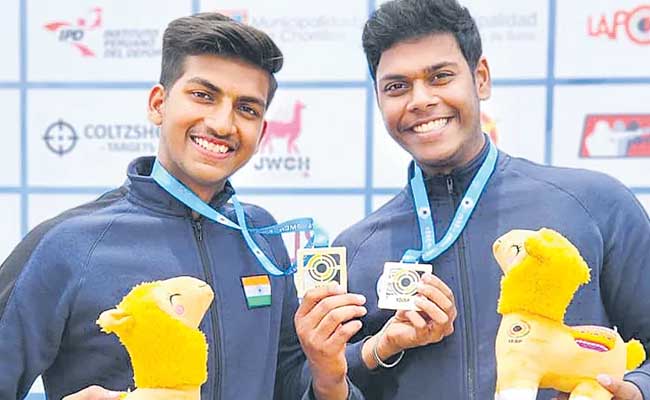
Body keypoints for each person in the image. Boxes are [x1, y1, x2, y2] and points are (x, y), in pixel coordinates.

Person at [0, 13, 364, 400]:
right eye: (203, 96)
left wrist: (328, 378)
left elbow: (289, 382)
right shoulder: (68, 243)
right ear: (159, 104)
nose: (223, 124)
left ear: (262, 131)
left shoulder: (261, 239)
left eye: (247, 109)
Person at [322, 0, 650, 399]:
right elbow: (328, 381)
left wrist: (634, 390)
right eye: (397, 86)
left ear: (480, 79)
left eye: (440, 77)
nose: (420, 100)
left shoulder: (596, 204)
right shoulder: (356, 248)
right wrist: (377, 350)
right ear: (378, 98)